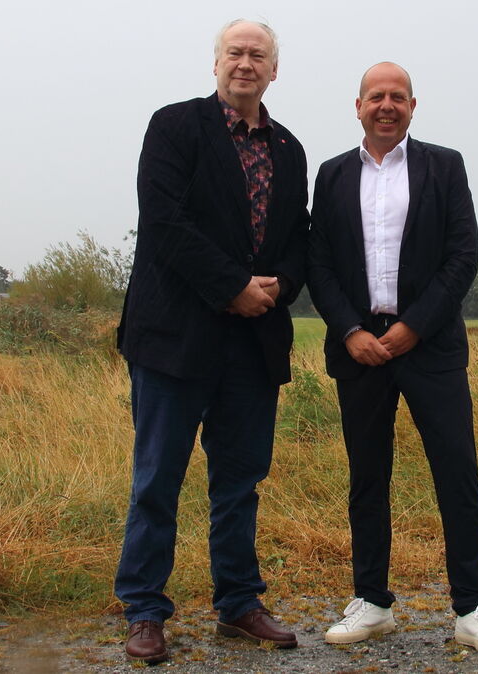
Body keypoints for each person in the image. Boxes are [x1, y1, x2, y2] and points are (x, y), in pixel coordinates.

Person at [114, 19, 309, 664]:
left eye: (258, 55)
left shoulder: (288, 148)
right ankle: (144, 609)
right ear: (216, 63)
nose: (245, 63)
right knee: (157, 480)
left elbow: (297, 239)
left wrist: (276, 288)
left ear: (274, 70)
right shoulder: (175, 127)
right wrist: (232, 286)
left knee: (239, 481)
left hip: (252, 343)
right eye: (235, 53)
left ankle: (239, 604)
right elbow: (164, 221)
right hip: (175, 337)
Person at [307, 62, 478, 655]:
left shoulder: (443, 166)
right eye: (377, 96)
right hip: (359, 349)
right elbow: (317, 260)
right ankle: (371, 601)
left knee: (457, 471)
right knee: (367, 476)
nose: (387, 105)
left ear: (413, 106)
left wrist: (413, 327)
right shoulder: (331, 175)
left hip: (430, 347)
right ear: (358, 106)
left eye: (398, 96)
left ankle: (473, 607)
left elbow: (462, 255)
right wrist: (350, 329)